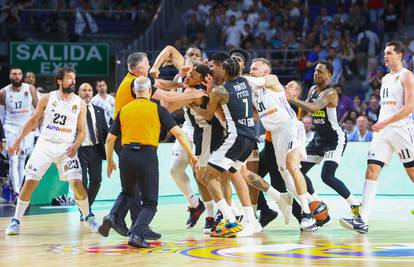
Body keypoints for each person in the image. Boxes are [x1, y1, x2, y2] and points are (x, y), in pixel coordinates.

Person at [98, 76, 199, 248]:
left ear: (134, 91)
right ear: (150, 91)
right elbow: (179, 133)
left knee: (128, 193)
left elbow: (109, 139)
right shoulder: (157, 109)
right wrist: (191, 154)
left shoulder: (124, 109)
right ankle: (136, 234)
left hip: (126, 155)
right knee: (150, 202)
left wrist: (109, 161)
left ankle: (113, 216)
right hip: (147, 155)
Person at [112, 51, 205, 236]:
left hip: (123, 136)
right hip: (130, 137)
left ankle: (128, 223)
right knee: (139, 188)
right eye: (148, 65)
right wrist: (194, 94)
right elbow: (168, 99)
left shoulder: (135, 80)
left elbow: (160, 84)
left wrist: (179, 85)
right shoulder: (134, 84)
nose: (151, 68)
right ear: (140, 69)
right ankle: (133, 225)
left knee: (133, 186)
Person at [5, 66, 99, 235]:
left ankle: (88, 215)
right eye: (69, 78)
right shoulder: (48, 98)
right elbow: (33, 121)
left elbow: (82, 131)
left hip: (66, 148)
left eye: (74, 78)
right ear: (60, 80)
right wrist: (18, 140)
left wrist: (76, 145)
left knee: (77, 184)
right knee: (30, 183)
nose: (73, 81)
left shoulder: (79, 103)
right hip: (45, 145)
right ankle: (16, 220)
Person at [340, 41, 414, 234]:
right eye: (384, 53)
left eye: (389, 53)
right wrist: (382, 124)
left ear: (400, 55)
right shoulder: (386, 78)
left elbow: (409, 108)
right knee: (371, 170)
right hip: (383, 132)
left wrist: (385, 122)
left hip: (401, 130)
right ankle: (362, 220)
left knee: (412, 174)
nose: (385, 56)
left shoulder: (407, 76)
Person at [248, 58, 319, 232]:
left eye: (255, 68)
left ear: (265, 71)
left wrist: (236, 78)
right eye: (250, 68)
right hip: (275, 136)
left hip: (290, 127)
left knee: (292, 167)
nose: (251, 71)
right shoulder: (255, 93)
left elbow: (255, 81)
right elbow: (256, 115)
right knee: (286, 177)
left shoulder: (271, 80)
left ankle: (307, 213)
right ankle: (311, 204)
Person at [288, 60, 361, 226]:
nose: (316, 73)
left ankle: (355, 205)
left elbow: (314, 108)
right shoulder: (313, 89)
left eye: (320, 71)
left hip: (335, 139)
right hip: (318, 139)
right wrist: (296, 120)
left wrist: (291, 100)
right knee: (297, 171)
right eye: (315, 70)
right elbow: (306, 108)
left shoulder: (331, 93)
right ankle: (317, 203)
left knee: (327, 176)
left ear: (329, 75)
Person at [0, 67, 38, 202]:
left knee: (22, 160)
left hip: (26, 128)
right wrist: (2, 136)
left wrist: (36, 124)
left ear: (22, 76)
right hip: (10, 128)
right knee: (13, 159)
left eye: (19, 74)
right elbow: (1, 116)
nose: (17, 76)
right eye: (14, 74)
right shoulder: (3, 92)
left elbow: (38, 109)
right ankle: (16, 192)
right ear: (10, 76)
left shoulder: (30, 89)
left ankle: (19, 191)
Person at [78, 82, 108, 217]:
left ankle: (86, 208)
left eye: (89, 90)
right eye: (84, 90)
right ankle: (85, 212)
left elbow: (105, 132)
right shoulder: (74, 110)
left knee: (96, 181)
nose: (87, 93)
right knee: (82, 183)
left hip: (96, 150)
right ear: (79, 93)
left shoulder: (99, 110)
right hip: (79, 150)